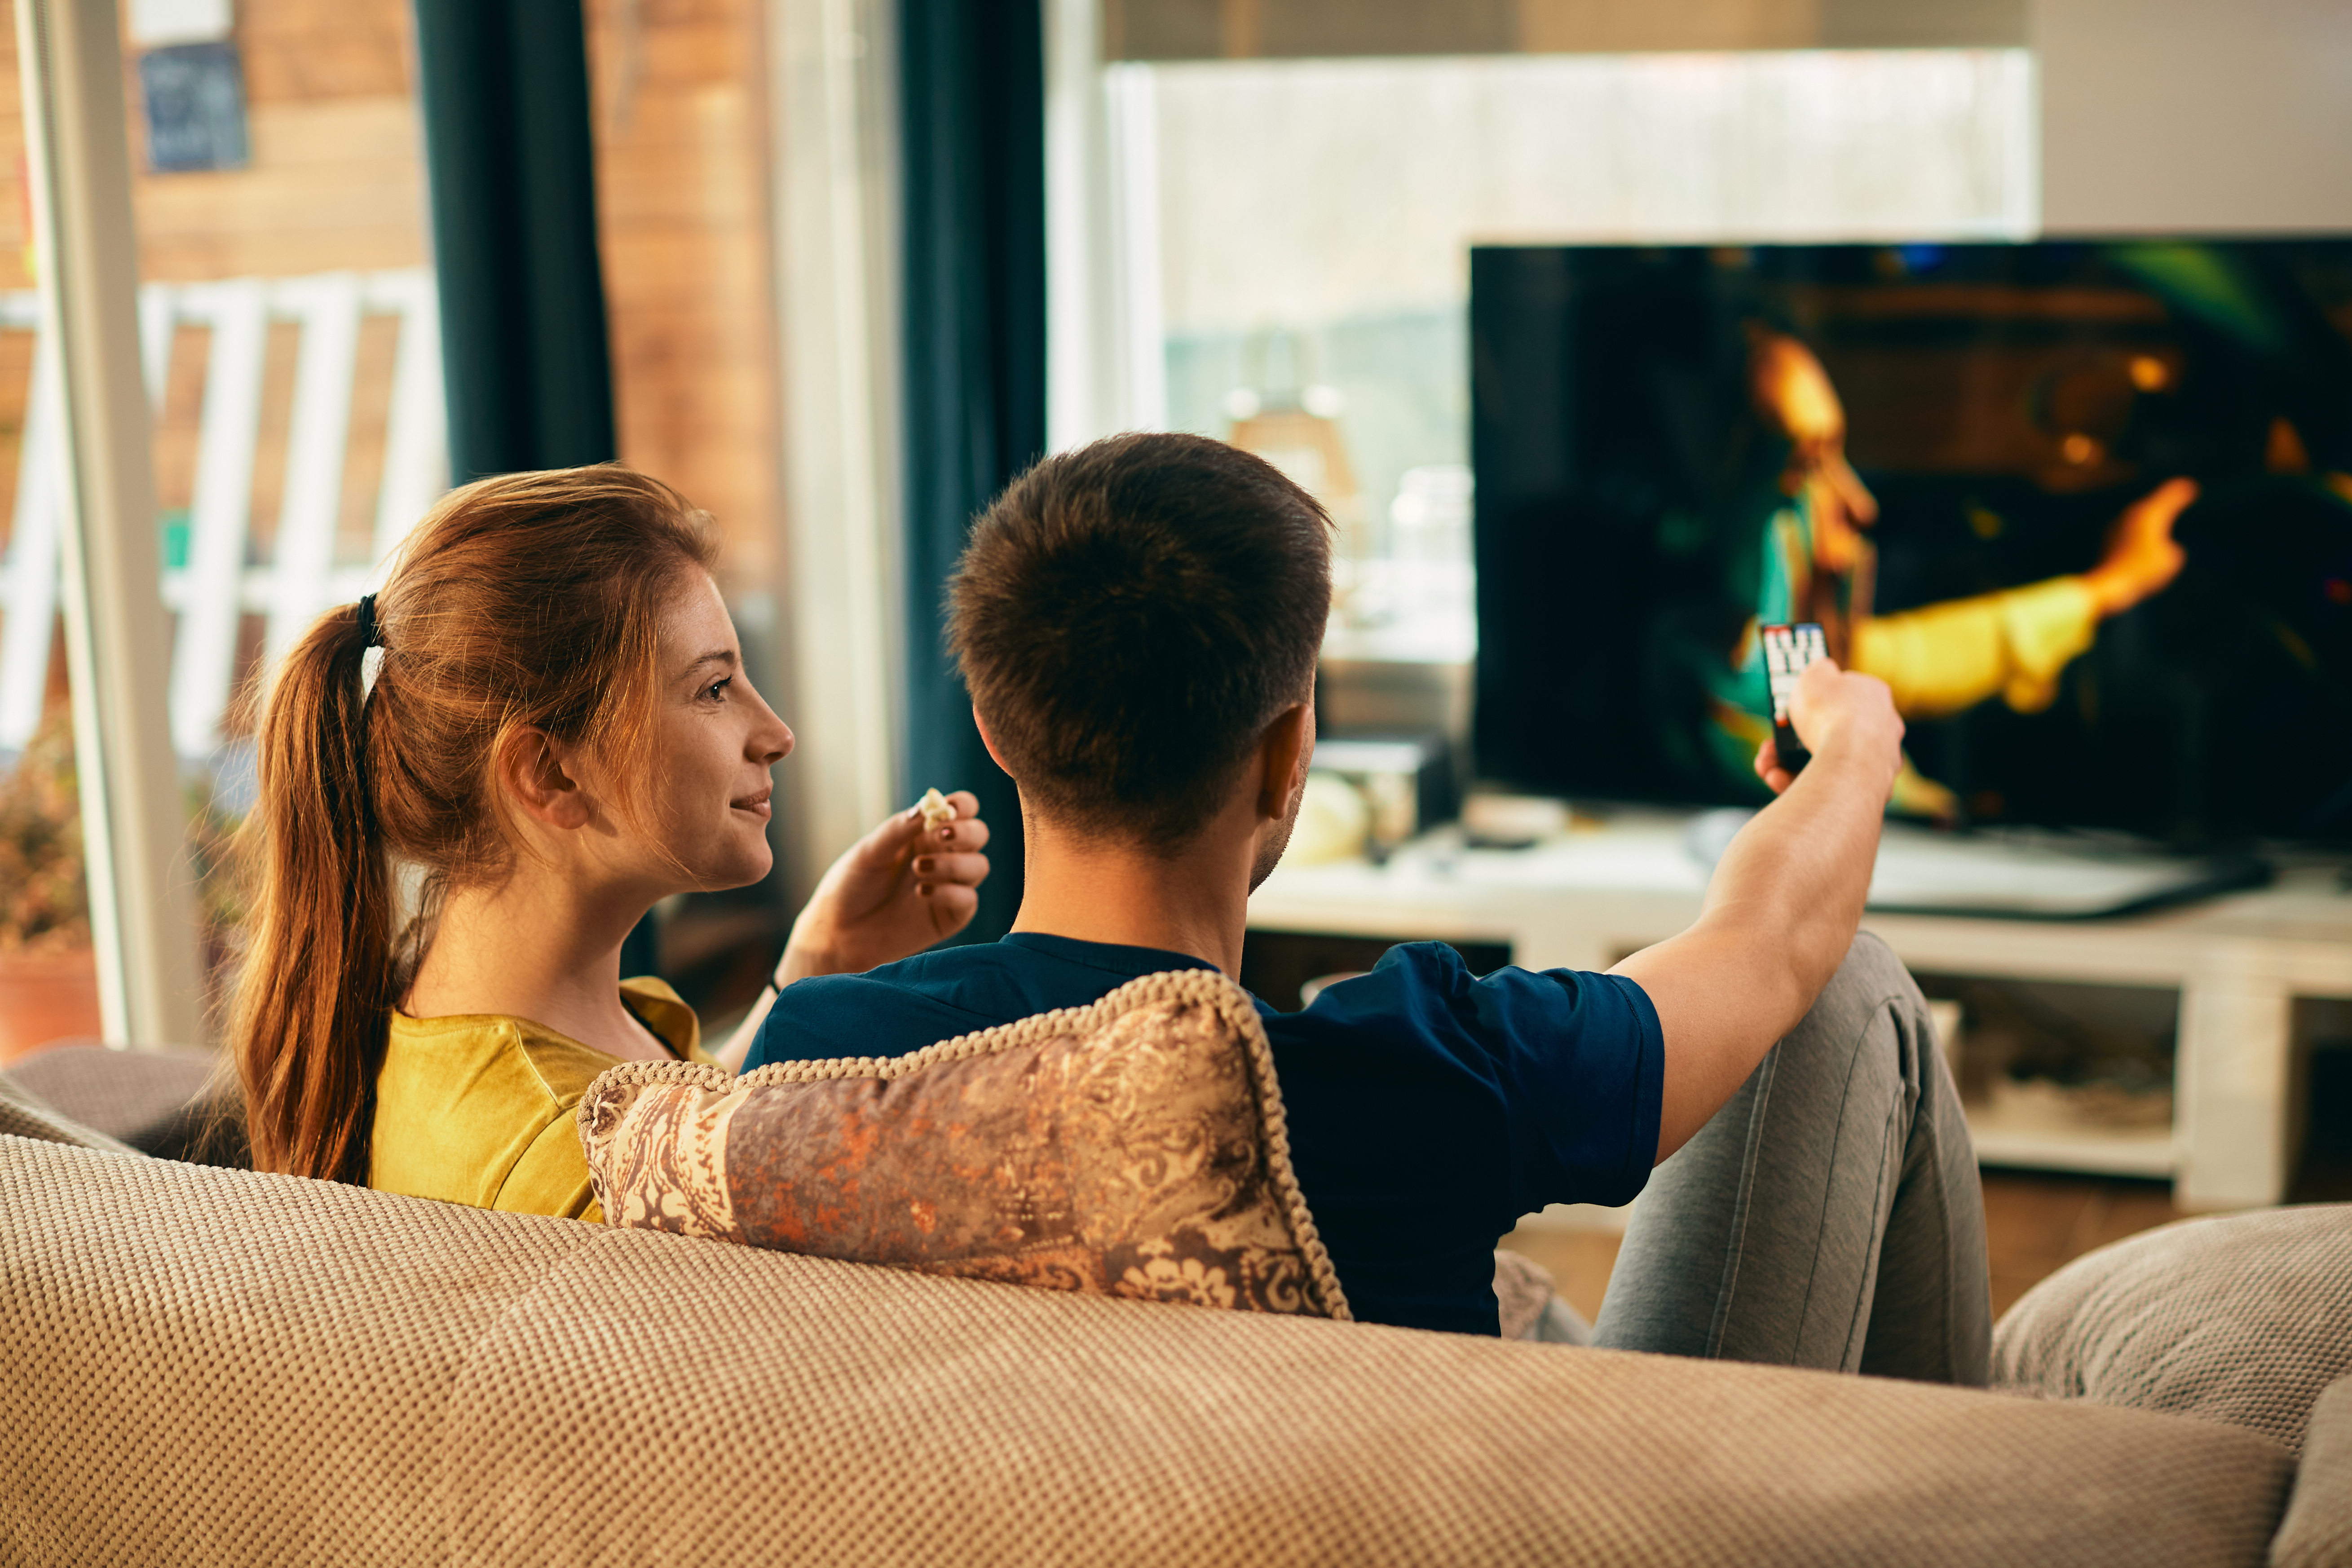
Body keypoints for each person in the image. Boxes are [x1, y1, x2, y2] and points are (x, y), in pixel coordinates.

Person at [748, 432, 1990, 1380]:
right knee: (1844, 992)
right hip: (1576, 1510)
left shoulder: (814, 1064)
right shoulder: (1408, 1075)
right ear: (1290, 754)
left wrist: (814, 973)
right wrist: (1856, 745)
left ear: (995, 730)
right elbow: (1768, 942)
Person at [231, 464, 991, 1219]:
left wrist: (814, 967)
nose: (776, 736)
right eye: (713, 689)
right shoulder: (581, 1168)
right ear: (550, 776)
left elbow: (700, 1121)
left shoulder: (443, 1028)